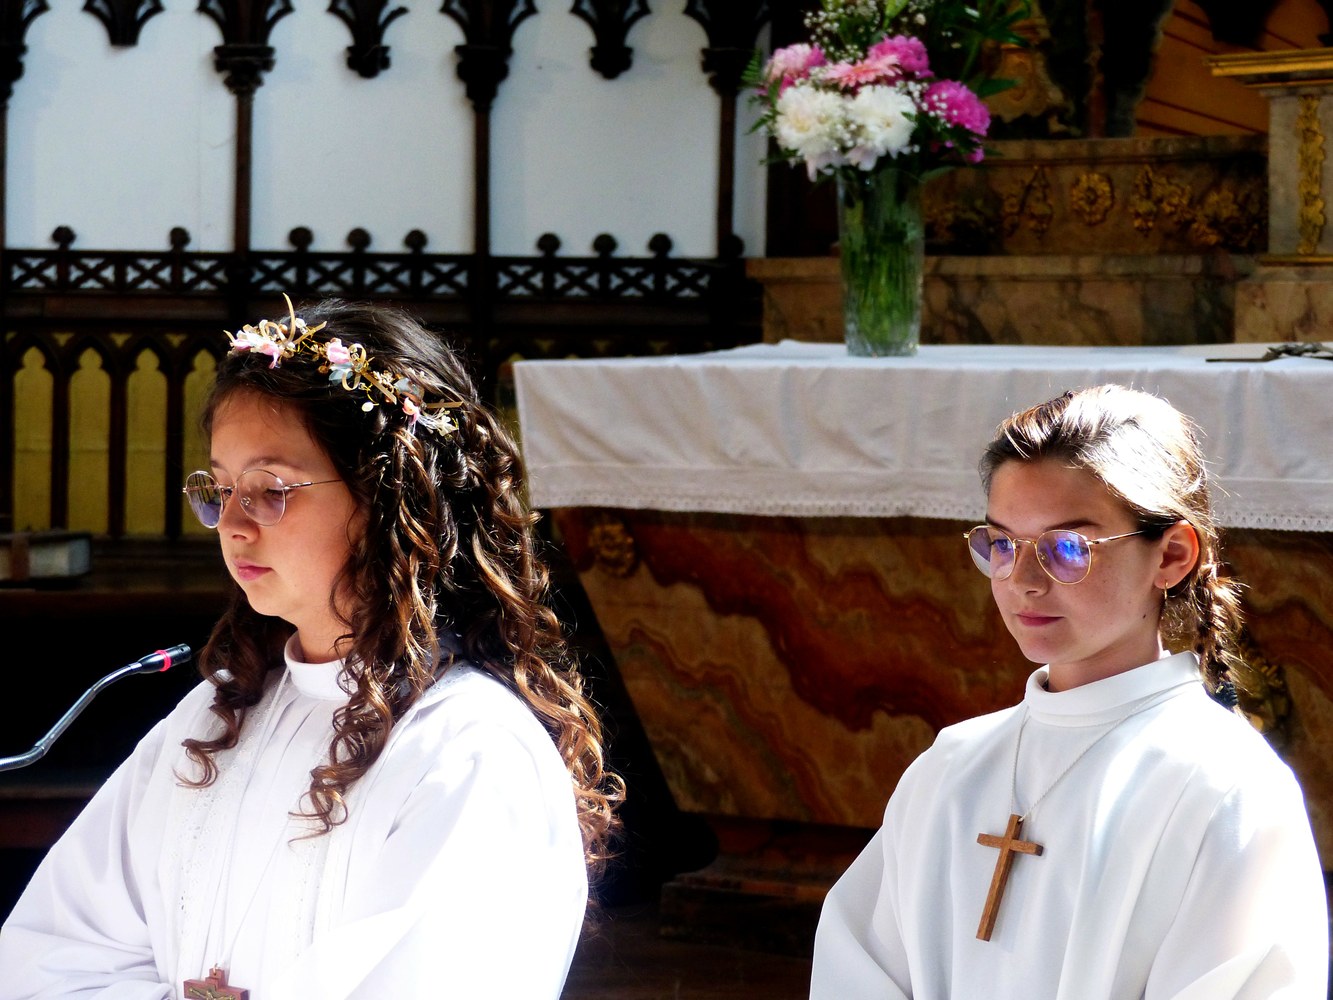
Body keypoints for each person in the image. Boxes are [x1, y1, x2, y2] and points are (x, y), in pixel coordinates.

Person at [0, 297, 622, 998]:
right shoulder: (214, 714)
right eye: (218, 489)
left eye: (269, 489)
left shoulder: (467, 749)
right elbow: (52, 955)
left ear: (388, 497)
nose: (231, 524)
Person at [810, 384, 1328, 999]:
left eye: (1067, 548)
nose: (1024, 581)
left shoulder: (1224, 787)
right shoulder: (950, 768)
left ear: (1171, 555)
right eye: (1003, 544)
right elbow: (856, 973)